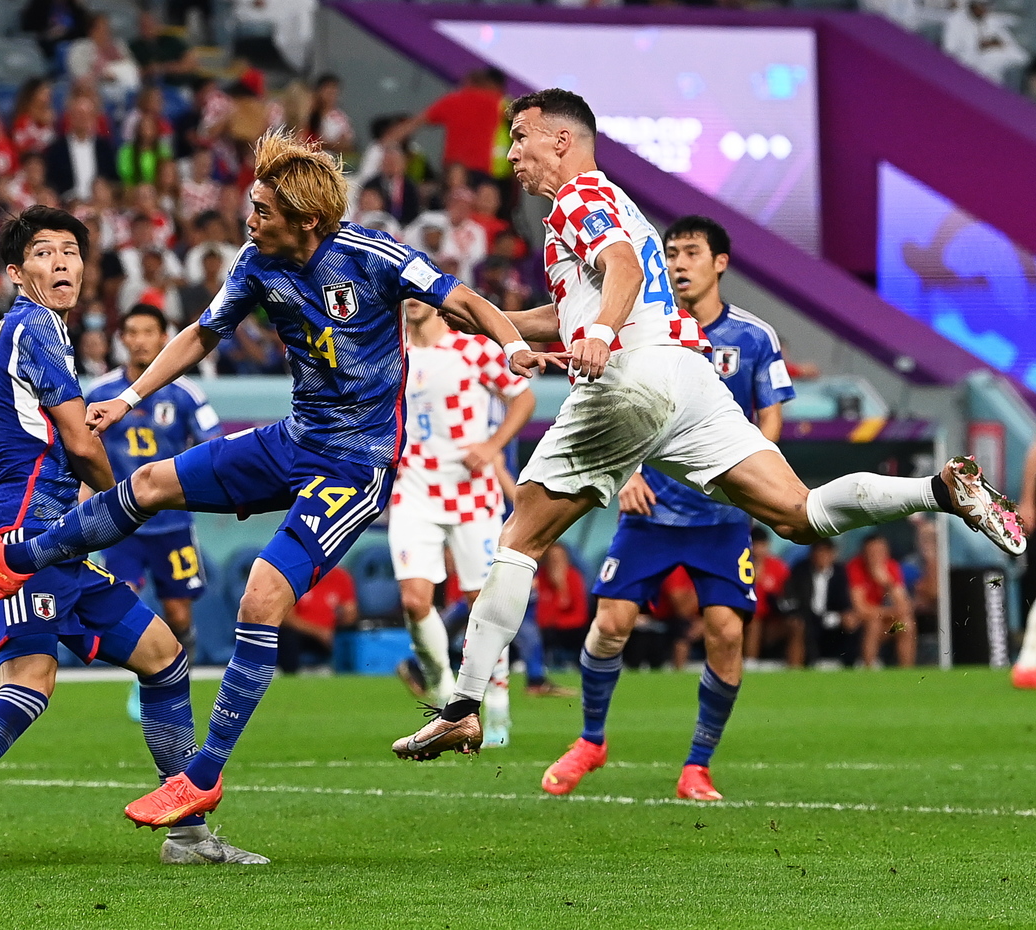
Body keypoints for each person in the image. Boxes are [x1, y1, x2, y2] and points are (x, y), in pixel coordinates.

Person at [390, 88, 1023, 762]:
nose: (511, 153)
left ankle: (462, 706)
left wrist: (603, 331)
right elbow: (572, 307)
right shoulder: (595, 212)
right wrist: (489, 320)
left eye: (521, 137)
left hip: (631, 378)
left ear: (562, 141)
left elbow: (622, 270)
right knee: (798, 513)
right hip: (689, 380)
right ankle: (939, 492)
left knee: (519, 534)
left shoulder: (580, 199)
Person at [0, 133, 544, 829]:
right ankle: (14, 557)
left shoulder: (370, 256)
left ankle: (202, 776)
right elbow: (202, 332)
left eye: (261, 211)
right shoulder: (257, 262)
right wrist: (131, 397)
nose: (248, 221)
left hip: (355, 467)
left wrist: (514, 343)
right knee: (149, 484)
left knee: (260, 596)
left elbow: (461, 299)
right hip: (292, 441)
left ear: (305, 220)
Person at [0, 206, 264, 876]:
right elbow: (80, 442)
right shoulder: (35, 329)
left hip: (56, 543)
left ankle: (189, 834)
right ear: (17, 272)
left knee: (164, 656)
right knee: (28, 685)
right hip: (24, 536)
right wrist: (120, 505)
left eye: (71, 252)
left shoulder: (4, 342)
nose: (62, 264)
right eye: (44, 254)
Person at [540, 213, 794, 800]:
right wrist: (624, 472)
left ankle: (697, 766)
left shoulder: (754, 337)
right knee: (610, 624)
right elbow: (610, 398)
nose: (678, 263)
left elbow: (771, 417)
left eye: (691, 253)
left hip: (722, 518)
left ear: (719, 264)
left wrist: (750, 476)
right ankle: (591, 740)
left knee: (726, 633)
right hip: (649, 509)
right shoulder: (646, 324)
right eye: (671, 252)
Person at [388, 295, 535, 743]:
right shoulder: (392, 352)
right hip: (412, 490)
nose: (412, 300)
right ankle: (444, 691)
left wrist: (491, 448)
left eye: (420, 292)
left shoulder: (471, 348)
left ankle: (498, 708)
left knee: (483, 605)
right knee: (415, 601)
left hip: (472, 495)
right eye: (405, 293)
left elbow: (522, 399)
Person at [89, 304, 223, 701]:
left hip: (172, 523)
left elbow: (212, 446)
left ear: (164, 337)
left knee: (179, 613)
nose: (141, 340)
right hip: (120, 523)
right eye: (133, 332)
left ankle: (180, 675)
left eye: (149, 331)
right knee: (124, 602)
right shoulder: (100, 392)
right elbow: (83, 450)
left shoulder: (185, 394)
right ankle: (145, 677)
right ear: (123, 339)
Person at [847, 532, 915, 667]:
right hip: (862, 624)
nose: (876, 556)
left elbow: (904, 607)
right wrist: (891, 612)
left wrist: (887, 583)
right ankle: (869, 667)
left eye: (880, 552)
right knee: (874, 623)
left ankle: (907, 670)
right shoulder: (855, 567)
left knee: (906, 624)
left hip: (887, 626)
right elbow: (861, 609)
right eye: (872, 552)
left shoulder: (891, 567)